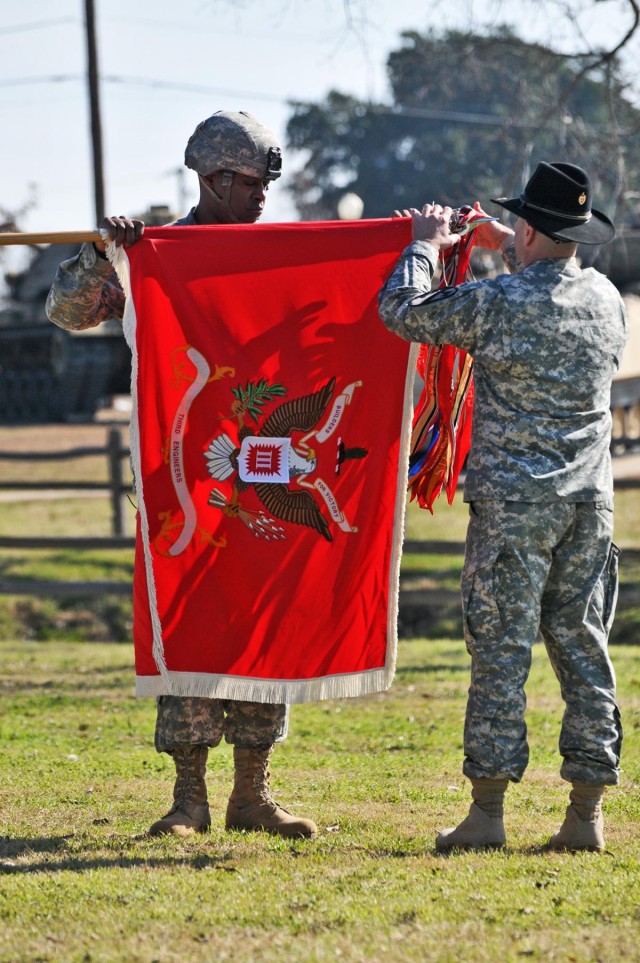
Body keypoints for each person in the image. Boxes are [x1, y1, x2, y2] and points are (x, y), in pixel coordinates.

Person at [46, 110, 317, 840]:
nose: (264, 198)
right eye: (253, 184)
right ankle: (189, 799)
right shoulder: (157, 252)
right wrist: (106, 257)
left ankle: (252, 794)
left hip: (263, 471)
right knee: (191, 628)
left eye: (267, 185)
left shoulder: (277, 255)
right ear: (214, 179)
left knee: (262, 627)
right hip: (182, 483)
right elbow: (65, 313)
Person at [379, 161, 627, 853]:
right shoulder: (608, 299)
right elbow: (545, 296)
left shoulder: (500, 302)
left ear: (526, 227)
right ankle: (586, 815)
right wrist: (502, 243)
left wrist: (427, 244)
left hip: (515, 507)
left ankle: (487, 813)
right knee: (584, 648)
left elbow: (402, 311)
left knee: (500, 653)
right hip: (589, 504)